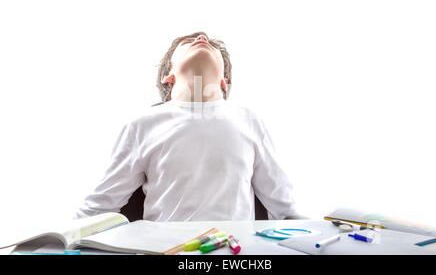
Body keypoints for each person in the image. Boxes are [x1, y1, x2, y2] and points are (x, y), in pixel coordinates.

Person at [74, 31, 302, 221]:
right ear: (168, 76)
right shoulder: (142, 125)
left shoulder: (249, 120)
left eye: (211, 45)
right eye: (186, 43)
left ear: (224, 82)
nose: (201, 37)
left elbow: (285, 210)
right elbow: (98, 208)